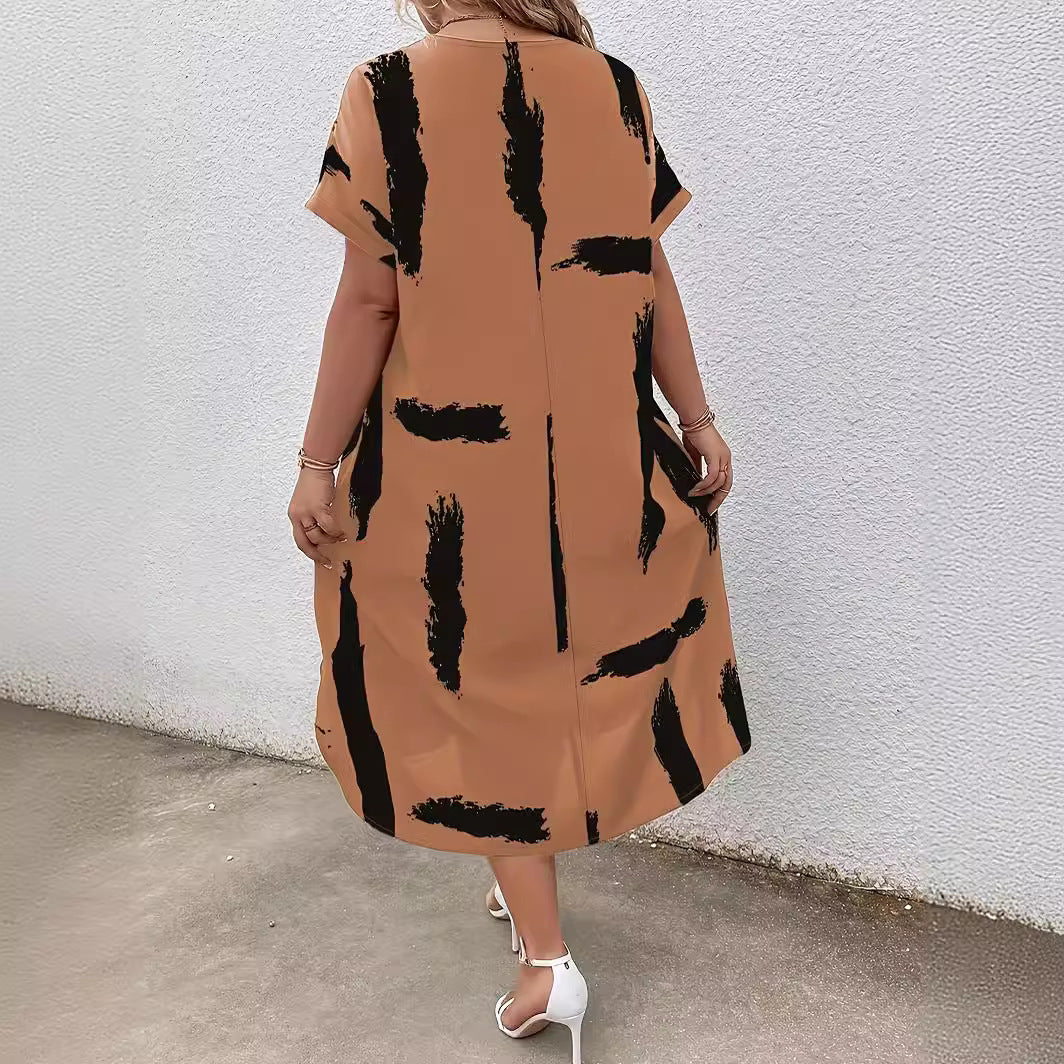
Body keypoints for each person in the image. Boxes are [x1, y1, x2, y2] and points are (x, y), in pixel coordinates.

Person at [289, 2, 751, 1060]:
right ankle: (524, 883)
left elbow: (370, 302)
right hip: (601, 461)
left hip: (449, 476)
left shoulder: (387, 90)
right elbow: (648, 270)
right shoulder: (613, 86)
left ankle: (547, 962)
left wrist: (317, 462)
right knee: (564, 676)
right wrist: (696, 418)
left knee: (471, 689)